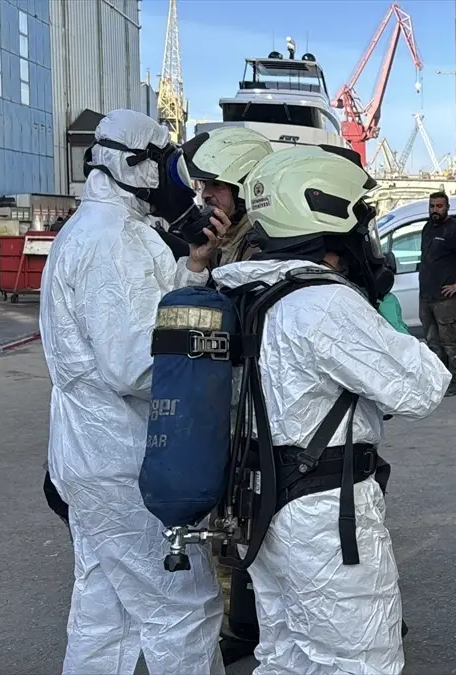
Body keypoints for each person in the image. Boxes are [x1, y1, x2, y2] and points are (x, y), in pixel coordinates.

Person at [210, 145, 450, 674]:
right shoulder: (323, 302)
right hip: (323, 516)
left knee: (285, 655)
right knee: (362, 660)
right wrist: (380, 315)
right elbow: (424, 387)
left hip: (262, 504)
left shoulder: (246, 291)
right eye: (359, 224)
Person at [40, 108, 230, 675]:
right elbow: (134, 365)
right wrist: (214, 366)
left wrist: (194, 270)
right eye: (169, 164)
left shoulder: (96, 231)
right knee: (183, 609)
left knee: (106, 616)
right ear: (135, 164)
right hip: (124, 461)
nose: (181, 183)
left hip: (89, 456)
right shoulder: (113, 241)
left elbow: (151, 315)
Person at [183, 124, 275, 666]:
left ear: (242, 183)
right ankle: (242, 622)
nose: (205, 196)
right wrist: (200, 260)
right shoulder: (225, 241)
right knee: (231, 519)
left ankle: (255, 624)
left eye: (214, 186)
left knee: (258, 517)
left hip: (262, 407)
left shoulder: (264, 240)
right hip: (231, 403)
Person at [186, 126, 274, 267]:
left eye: (216, 184)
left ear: (245, 187)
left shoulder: (262, 249)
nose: (204, 194)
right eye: (204, 184)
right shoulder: (215, 240)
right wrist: (197, 261)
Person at [419, 191, 456, 396]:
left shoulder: (455, 230)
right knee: (433, 342)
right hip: (427, 297)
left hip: (446, 300)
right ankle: (442, 380)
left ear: (447, 208)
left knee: (450, 341)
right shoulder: (427, 228)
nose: (435, 210)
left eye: (439, 206)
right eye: (432, 206)